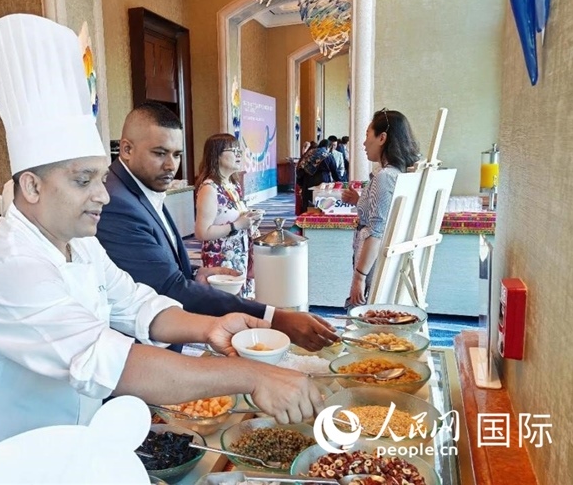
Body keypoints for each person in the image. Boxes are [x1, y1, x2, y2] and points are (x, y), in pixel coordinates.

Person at [0, 13, 324, 473]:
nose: (103, 195)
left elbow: (138, 304)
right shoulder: (10, 268)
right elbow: (114, 363)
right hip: (7, 468)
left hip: (72, 448)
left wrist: (210, 328)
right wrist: (253, 375)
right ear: (31, 186)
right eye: (83, 180)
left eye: (100, 178)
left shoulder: (79, 243)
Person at [97, 102, 338, 352]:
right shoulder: (116, 204)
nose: (171, 165)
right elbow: (168, 287)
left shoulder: (140, 188)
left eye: (177, 155)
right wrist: (275, 318)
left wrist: (194, 273)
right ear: (126, 149)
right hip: (139, 349)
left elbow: (150, 266)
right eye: (159, 153)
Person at [341, 109, 420, 307]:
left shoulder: (385, 177)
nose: (364, 143)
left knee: (364, 318)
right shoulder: (400, 174)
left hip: (374, 270)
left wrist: (359, 277)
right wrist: (360, 200)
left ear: (382, 138)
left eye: (367, 134)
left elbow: (376, 232)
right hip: (386, 266)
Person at [194, 133, 260, 299]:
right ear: (216, 155)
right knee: (225, 303)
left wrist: (250, 220)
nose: (239, 155)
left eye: (239, 151)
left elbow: (234, 217)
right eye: (233, 151)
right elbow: (202, 233)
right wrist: (236, 225)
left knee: (241, 300)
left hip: (239, 254)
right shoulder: (209, 188)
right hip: (220, 259)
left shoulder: (233, 184)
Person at [297, 139, 340, 213]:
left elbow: (300, 167)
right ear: (328, 147)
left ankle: (307, 216)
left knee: (308, 202)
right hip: (322, 181)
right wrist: (339, 181)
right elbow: (334, 171)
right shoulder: (327, 155)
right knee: (320, 203)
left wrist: (300, 182)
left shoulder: (309, 153)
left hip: (307, 181)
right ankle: (319, 216)